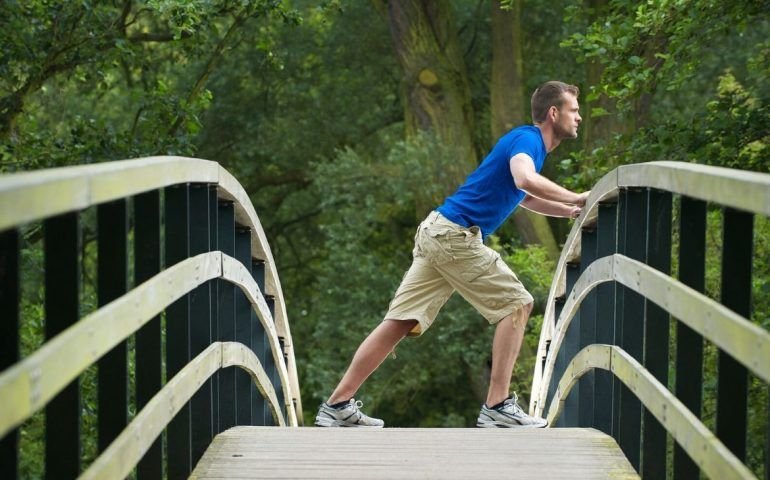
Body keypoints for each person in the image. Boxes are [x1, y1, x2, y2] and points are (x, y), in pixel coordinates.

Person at [315, 80, 589, 428]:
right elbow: (524, 179)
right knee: (518, 304)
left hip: (436, 232)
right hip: (453, 236)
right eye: (574, 110)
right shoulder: (529, 140)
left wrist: (565, 211)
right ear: (554, 113)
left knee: (399, 322)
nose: (579, 117)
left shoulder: (528, 144)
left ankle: (337, 405)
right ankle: (498, 406)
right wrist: (576, 197)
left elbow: (525, 195)